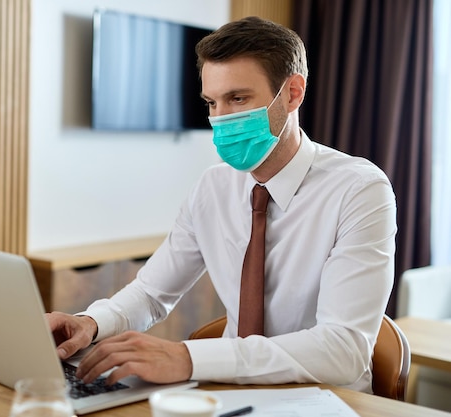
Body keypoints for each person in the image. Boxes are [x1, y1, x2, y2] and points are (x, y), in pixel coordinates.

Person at [46, 16, 396, 393]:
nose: (221, 118)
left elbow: (343, 351)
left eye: (238, 98)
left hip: (328, 399)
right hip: (228, 393)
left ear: (293, 93)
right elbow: (150, 293)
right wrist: (91, 323)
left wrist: (187, 358)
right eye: (212, 102)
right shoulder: (212, 188)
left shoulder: (360, 190)